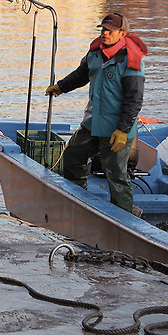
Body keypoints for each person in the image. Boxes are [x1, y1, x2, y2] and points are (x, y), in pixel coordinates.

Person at [45, 12, 147, 214]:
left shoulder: (131, 61)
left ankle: (124, 216)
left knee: (116, 174)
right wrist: (61, 87)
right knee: (73, 155)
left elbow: (134, 99)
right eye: (103, 29)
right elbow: (81, 75)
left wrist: (122, 130)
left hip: (116, 128)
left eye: (110, 31)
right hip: (93, 122)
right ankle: (76, 198)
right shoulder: (94, 54)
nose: (105, 34)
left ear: (122, 33)